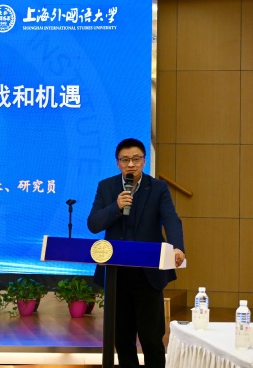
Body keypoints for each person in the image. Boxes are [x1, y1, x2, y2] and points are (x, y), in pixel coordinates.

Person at [87, 138, 185, 368]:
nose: (131, 164)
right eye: (125, 160)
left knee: (151, 338)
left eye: (135, 159)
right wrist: (116, 206)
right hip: (116, 274)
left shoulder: (158, 188)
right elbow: (94, 224)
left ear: (144, 160)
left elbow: (171, 219)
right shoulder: (107, 186)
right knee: (122, 338)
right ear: (117, 163)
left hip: (148, 272)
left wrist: (177, 246)